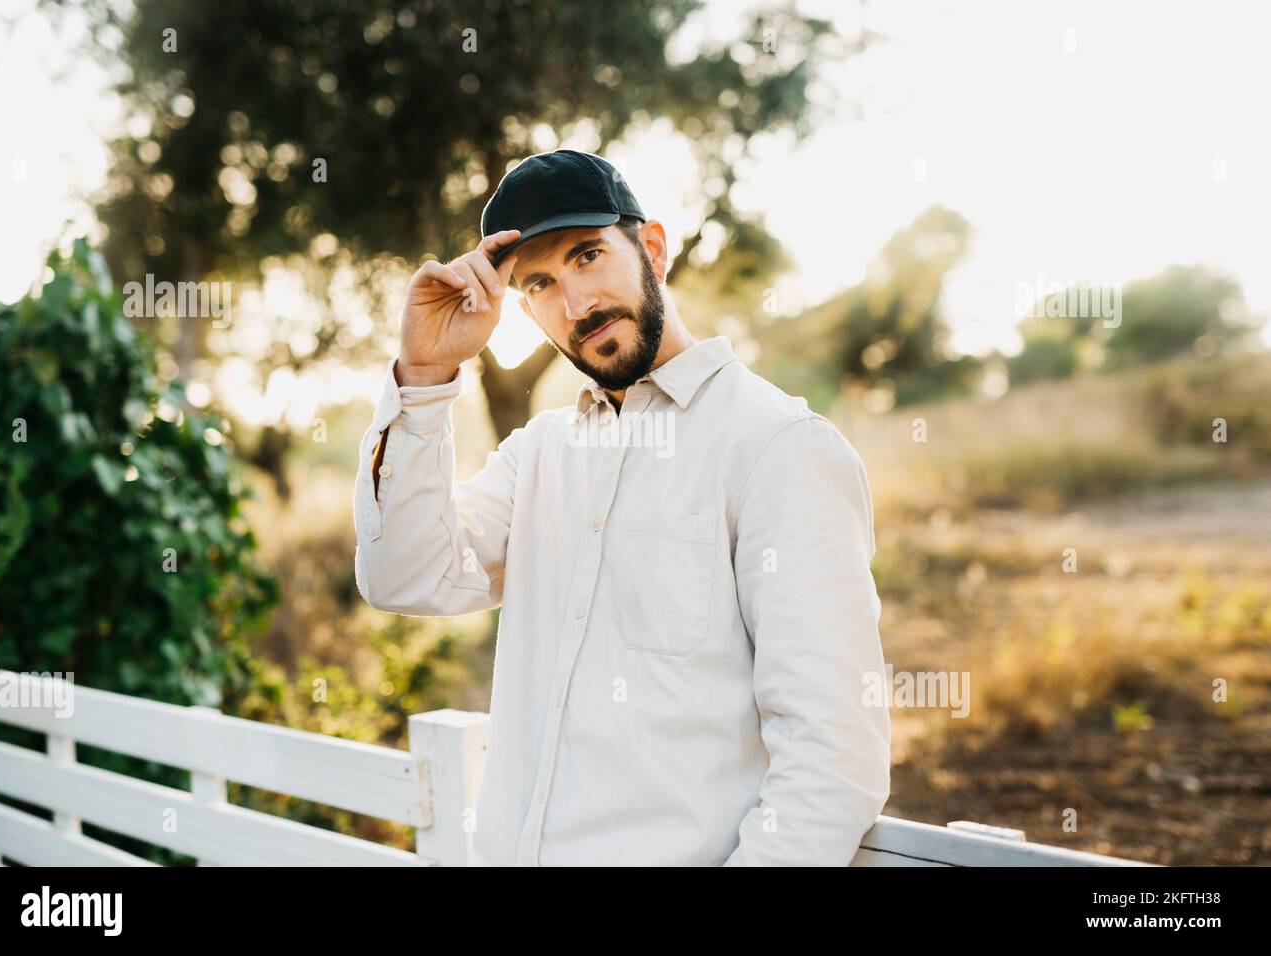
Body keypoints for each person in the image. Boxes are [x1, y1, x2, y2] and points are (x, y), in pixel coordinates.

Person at [353, 148, 891, 866]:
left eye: (587, 256)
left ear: (654, 250)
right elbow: (402, 576)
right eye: (539, 283)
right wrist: (424, 378)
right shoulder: (538, 455)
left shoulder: (778, 448)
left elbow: (833, 758)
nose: (576, 304)